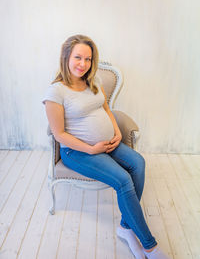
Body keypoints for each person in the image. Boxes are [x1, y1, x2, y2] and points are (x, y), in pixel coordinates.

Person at [43, 34, 170, 259]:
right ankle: (150, 246)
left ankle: (126, 227)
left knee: (138, 163)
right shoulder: (56, 92)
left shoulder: (93, 81)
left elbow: (107, 109)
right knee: (123, 180)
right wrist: (91, 149)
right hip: (79, 151)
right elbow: (59, 134)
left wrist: (117, 132)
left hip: (108, 143)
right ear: (66, 57)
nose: (83, 64)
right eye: (78, 58)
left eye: (88, 59)